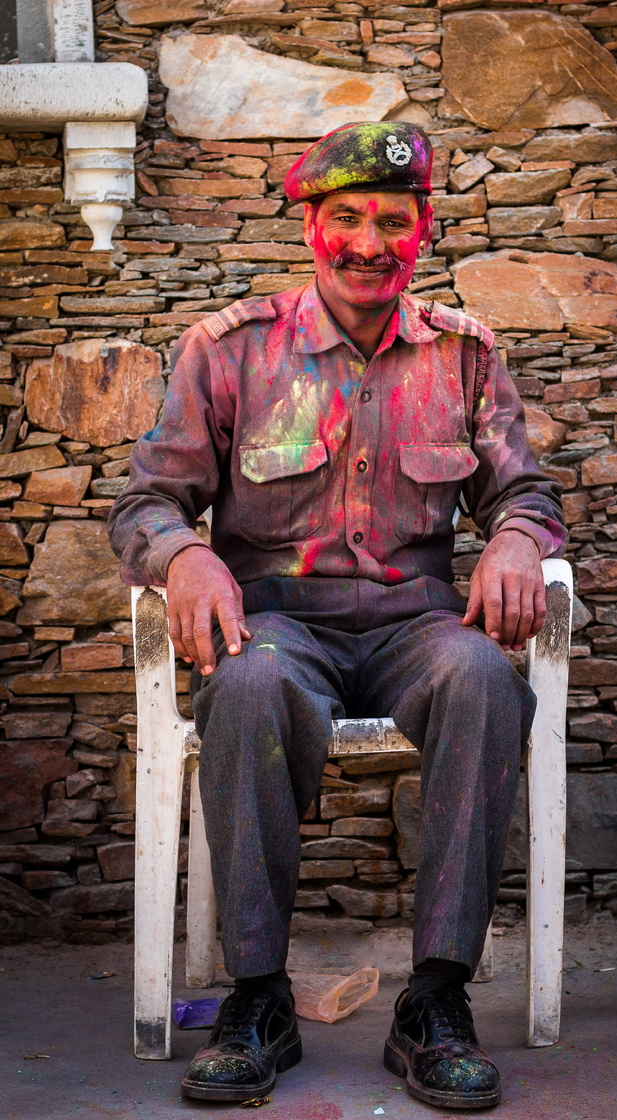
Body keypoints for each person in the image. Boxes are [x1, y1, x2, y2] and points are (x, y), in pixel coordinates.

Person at [108, 120, 566, 1110]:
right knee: (246, 680)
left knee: (487, 676)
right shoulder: (229, 353)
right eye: (346, 218)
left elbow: (525, 492)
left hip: (416, 627)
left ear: (423, 227)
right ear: (310, 225)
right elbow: (146, 500)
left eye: (392, 221)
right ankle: (259, 998)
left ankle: (433, 1002)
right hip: (275, 622)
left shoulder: (465, 358)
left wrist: (523, 540)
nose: (368, 243)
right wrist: (184, 555)